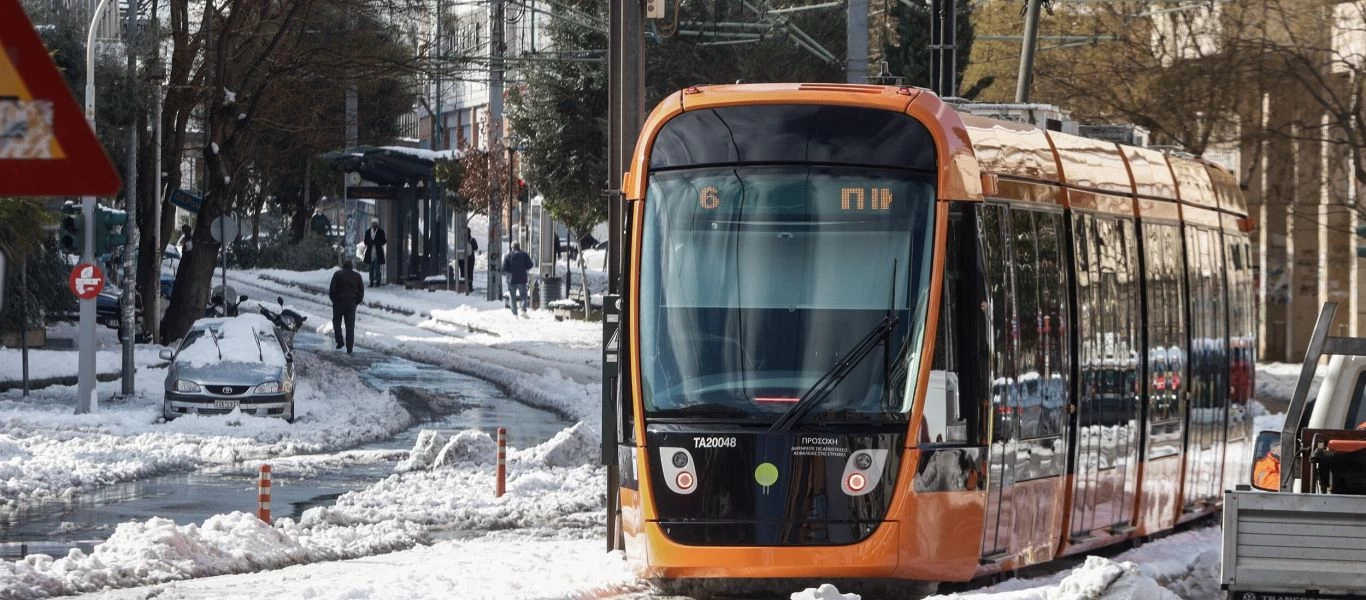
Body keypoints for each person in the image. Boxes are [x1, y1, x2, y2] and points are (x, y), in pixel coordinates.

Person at [328, 260, 365, 353]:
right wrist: (356, 302)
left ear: (343, 266)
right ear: (352, 267)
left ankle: (340, 341)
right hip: (351, 304)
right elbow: (361, 292)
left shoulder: (337, 274)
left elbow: (332, 290)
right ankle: (349, 348)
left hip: (339, 302)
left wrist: (334, 301)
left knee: (336, 323)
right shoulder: (357, 276)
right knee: (350, 326)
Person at [502, 242, 534, 317]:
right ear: (519, 247)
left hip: (511, 279)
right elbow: (530, 265)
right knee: (523, 295)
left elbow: (504, 268)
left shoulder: (508, 255)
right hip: (521, 278)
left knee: (512, 296)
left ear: (512, 247)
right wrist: (524, 268)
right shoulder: (524, 254)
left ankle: (514, 313)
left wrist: (507, 273)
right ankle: (523, 310)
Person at [363, 220, 387, 287]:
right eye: (373, 223)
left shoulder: (381, 231)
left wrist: (377, 242)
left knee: (377, 268)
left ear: (377, 224)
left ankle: (378, 281)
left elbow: (384, 241)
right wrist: (369, 242)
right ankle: (371, 281)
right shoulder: (368, 232)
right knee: (371, 268)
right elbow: (365, 241)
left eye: (375, 223)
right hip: (370, 252)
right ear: (371, 224)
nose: (374, 224)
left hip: (378, 252)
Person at [465, 227, 478, 295]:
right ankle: (469, 286)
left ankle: (464, 285)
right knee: (470, 272)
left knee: (464, 272)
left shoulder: (462, 239)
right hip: (471, 258)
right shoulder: (472, 240)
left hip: (463, 259)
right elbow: (476, 247)